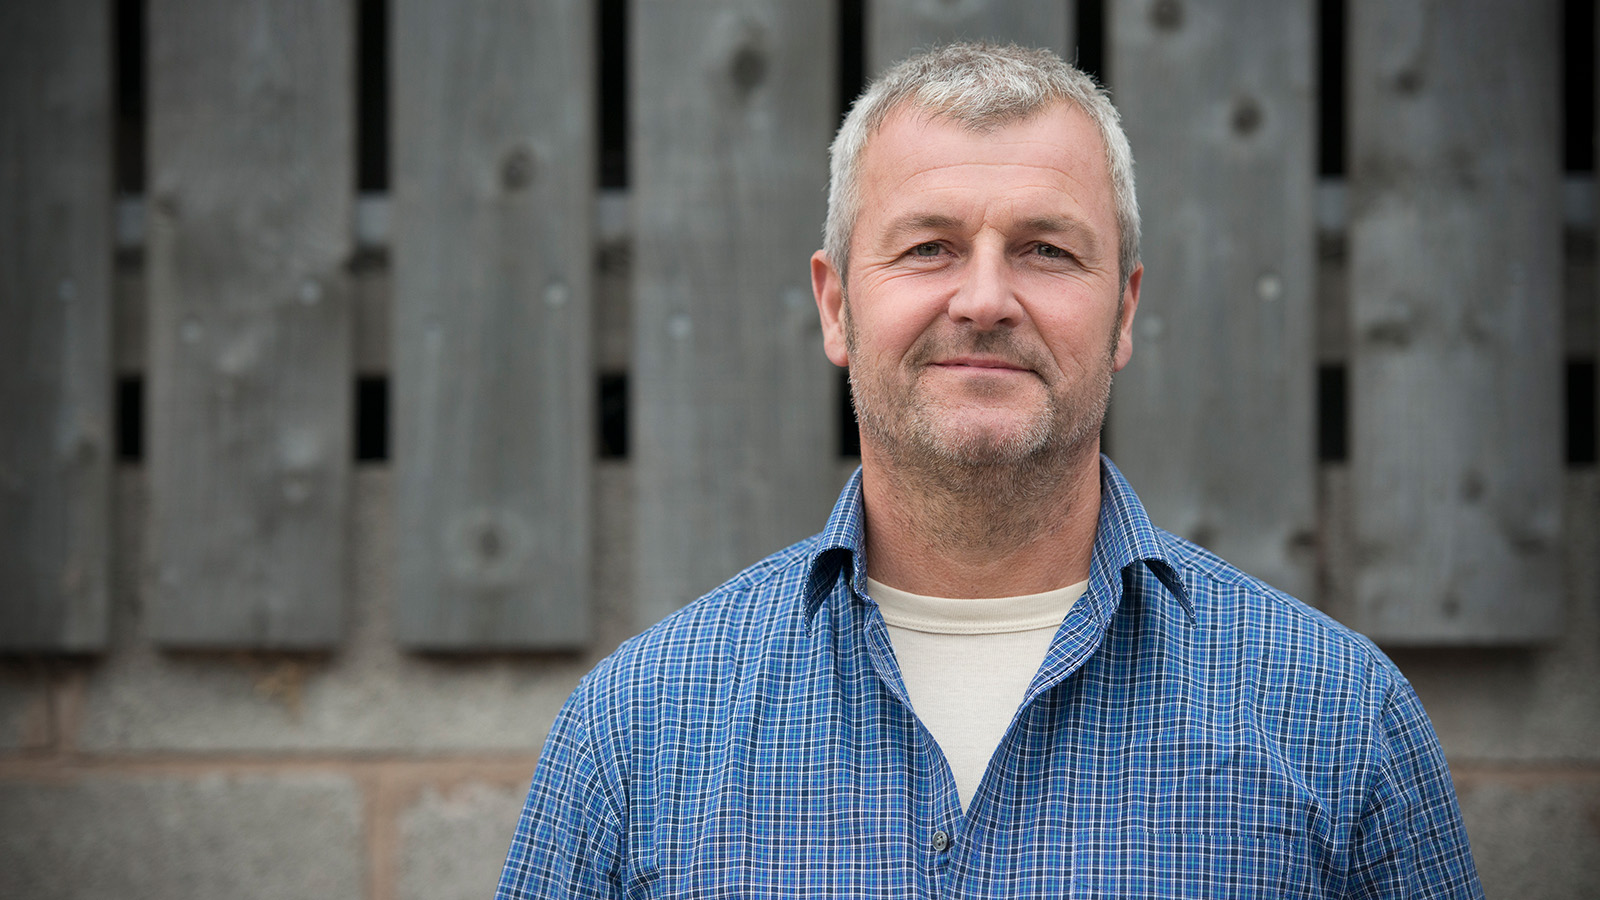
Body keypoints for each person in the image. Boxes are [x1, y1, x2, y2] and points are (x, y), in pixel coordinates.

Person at [495, 43, 1482, 897]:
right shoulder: (640, 727)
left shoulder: (1337, 719)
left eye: (1045, 251)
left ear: (1124, 311)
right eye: (929, 247)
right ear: (836, 306)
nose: (983, 299)